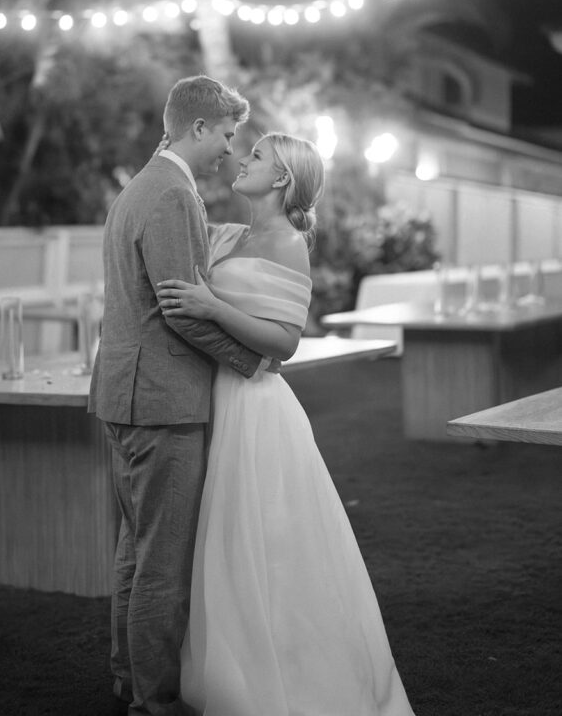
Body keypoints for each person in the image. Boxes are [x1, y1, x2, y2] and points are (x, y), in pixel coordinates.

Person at [157, 132, 416, 716]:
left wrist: (212, 307)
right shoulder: (232, 234)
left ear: (280, 179)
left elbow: (285, 342)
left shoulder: (289, 243)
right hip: (211, 394)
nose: (241, 159)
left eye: (256, 157)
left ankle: (287, 674)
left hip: (255, 408)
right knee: (219, 540)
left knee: (265, 539)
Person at [88, 75, 274, 716]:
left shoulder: (141, 187)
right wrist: (252, 362)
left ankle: (127, 676)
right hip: (162, 402)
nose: (229, 149)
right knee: (162, 563)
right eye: (226, 134)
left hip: (125, 394)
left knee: (136, 551)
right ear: (197, 128)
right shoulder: (172, 195)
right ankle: (155, 702)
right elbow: (182, 310)